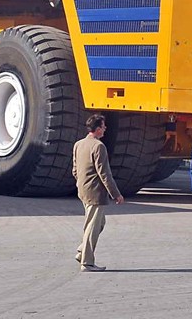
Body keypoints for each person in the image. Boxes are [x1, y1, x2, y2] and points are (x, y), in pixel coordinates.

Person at [72, 114, 123, 272]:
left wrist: (81, 183)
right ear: (98, 129)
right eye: (103, 126)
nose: (105, 129)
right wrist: (116, 194)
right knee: (93, 226)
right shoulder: (98, 146)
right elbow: (104, 173)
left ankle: (82, 251)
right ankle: (87, 262)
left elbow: (75, 169)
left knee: (98, 223)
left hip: (83, 189)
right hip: (95, 192)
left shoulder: (79, 144)